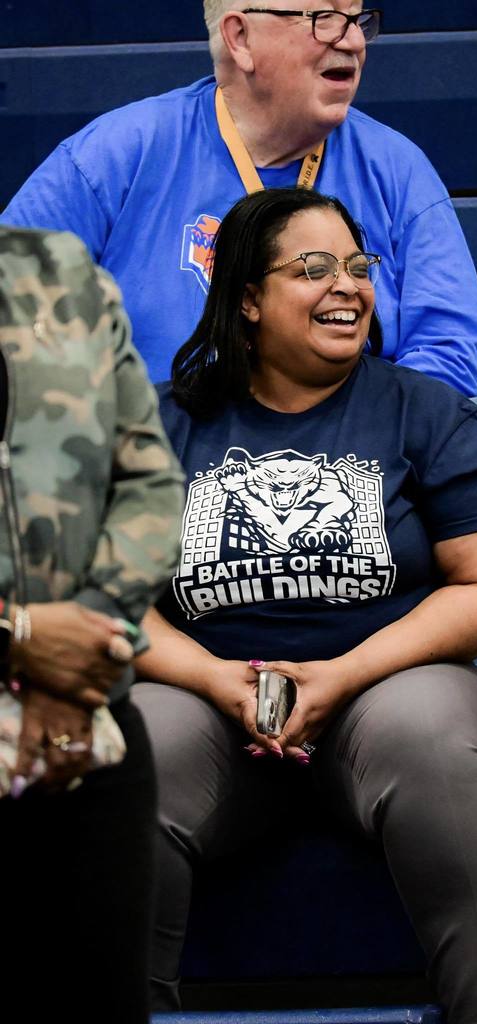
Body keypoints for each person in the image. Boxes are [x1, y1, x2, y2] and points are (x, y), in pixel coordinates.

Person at [1, 1, 477, 794]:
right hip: (169, 449)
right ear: (240, 36)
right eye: (320, 18)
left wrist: (353, 432)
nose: (351, 38)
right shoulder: (120, 152)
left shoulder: (393, 166)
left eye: (359, 17)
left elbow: (449, 344)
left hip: (358, 447)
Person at [134, 186, 477, 1020]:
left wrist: (341, 675)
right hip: (207, 703)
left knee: (431, 735)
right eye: (313, 268)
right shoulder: (165, 426)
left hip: (383, 692)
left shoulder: (419, 409)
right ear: (247, 297)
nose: (347, 285)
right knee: (127, 746)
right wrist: (217, 681)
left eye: (357, 266)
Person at [0, 225, 184, 1022]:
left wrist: (79, 659)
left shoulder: (62, 271)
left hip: (87, 733)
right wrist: (21, 641)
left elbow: (150, 483)